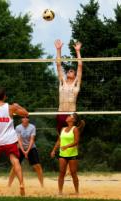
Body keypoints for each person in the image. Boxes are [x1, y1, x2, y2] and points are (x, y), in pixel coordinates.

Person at [0, 87, 28, 196]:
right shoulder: (11, 108)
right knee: (15, 161)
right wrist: (18, 106)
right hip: (9, 140)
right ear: (5, 96)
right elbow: (26, 113)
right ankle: (21, 184)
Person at [55, 39, 83, 175]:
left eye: (72, 71)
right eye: (69, 71)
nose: (70, 71)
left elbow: (80, 67)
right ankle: (63, 163)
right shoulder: (62, 82)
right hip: (61, 114)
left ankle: (70, 164)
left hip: (71, 114)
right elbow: (58, 65)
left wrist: (78, 51)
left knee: (73, 139)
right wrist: (58, 50)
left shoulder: (76, 84)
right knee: (62, 138)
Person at [50, 113, 84, 195]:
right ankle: (60, 192)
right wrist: (54, 150)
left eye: (69, 116)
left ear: (73, 120)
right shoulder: (63, 129)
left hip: (72, 155)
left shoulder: (75, 129)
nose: (67, 117)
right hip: (63, 154)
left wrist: (67, 146)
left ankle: (77, 192)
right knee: (61, 172)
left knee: (73, 173)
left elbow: (76, 141)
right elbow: (59, 141)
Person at [8, 117, 44, 187]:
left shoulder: (32, 127)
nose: (25, 119)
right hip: (20, 148)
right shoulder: (18, 127)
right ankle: (9, 185)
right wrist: (23, 151)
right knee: (14, 167)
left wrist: (27, 151)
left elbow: (32, 140)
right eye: (23, 118)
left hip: (31, 148)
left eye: (26, 118)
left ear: (28, 119)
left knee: (38, 166)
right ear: (21, 119)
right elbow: (19, 140)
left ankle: (42, 185)